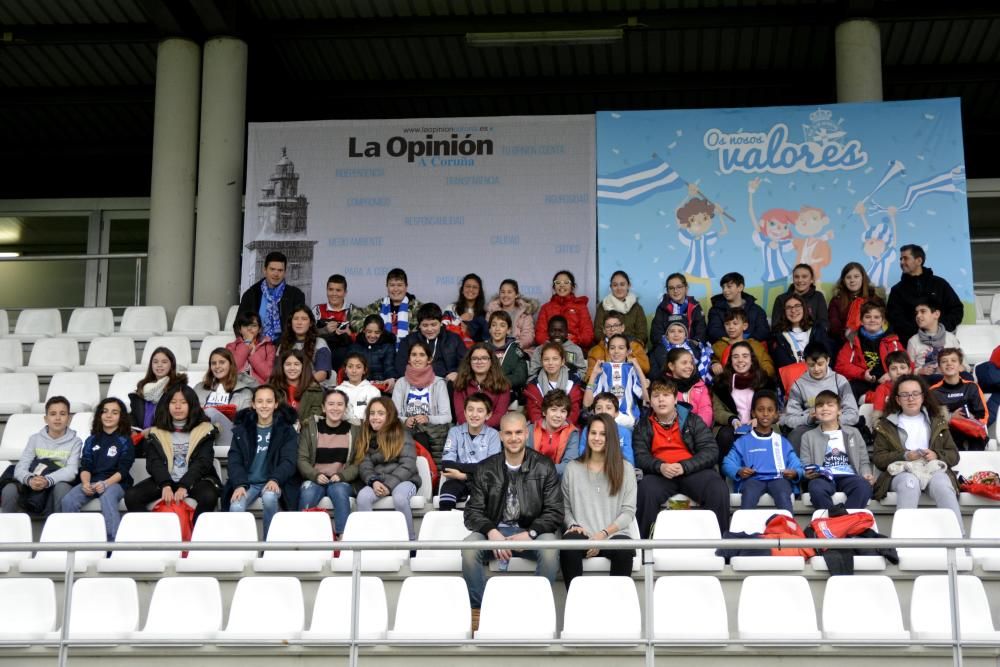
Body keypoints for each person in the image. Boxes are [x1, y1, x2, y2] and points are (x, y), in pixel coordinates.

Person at [462, 411, 563, 628]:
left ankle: (538, 608)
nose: (514, 438)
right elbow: (472, 512)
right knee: (469, 547)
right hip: (496, 531)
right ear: (500, 436)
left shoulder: (544, 466)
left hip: (530, 532)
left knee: (549, 548)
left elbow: (555, 511)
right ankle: (480, 610)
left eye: (518, 432)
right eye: (508, 433)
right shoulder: (486, 468)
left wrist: (531, 533)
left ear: (526, 434)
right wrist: (492, 532)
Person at [633, 380, 730, 536]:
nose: (661, 399)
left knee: (717, 489)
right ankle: (644, 547)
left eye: (666, 395)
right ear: (650, 401)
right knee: (645, 490)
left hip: (691, 471)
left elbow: (710, 451)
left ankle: (720, 542)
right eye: (656, 396)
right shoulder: (643, 425)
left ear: (675, 399)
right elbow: (640, 456)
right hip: (661, 474)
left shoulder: (692, 420)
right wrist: (660, 466)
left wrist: (685, 466)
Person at [872, 375, 962, 527]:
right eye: (905, 395)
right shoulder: (886, 424)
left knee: (942, 484)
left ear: (923, 397)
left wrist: (936, 455)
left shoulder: (937, 421)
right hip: (901, 472)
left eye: (915, 394)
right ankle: (902, 544)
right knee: (909, 483)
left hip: (932, 469)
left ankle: (959, 541)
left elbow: (954, 455)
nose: (910, 398)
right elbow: (879, 459)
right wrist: (905, 456)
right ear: (898, 400)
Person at [560, 413, 637, 588]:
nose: (597, 438)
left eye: (603, 434)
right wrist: (573, 525)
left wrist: (602, 535)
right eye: (593, 433)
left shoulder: (625, 469)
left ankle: (617, 606)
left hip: (612, 534)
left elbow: (628, 511)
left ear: (611, 437)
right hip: (581, 534)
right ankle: (575, 605)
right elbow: (564, 507)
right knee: (568, 546)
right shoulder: (573, 468)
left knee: (624, 551)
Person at [123, 384, 220, 519]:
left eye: (183, 402)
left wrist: (184, 485)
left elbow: (203, 462)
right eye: (173, 402)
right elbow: (154, 462)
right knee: (132, 496)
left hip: (195, 480)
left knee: (209, 496)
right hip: (166, 479)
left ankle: (196, 535)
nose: (178, 407)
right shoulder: (157, 431)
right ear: (167, 405)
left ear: (192, 405)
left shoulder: (205, 429)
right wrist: (166, 484)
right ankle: (157, 532)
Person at [227, 384, 299, 537]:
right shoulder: (242, 430)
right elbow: (235, 460)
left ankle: (269, 545)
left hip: (273, 481)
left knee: (269, 497)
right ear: (253, 405)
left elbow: (289, 461)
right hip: (248, 483)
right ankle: (243, 550)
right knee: (236, 507)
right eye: (260, 401)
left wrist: (275, 479)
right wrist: (239, 484)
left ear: (275, 404)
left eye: (268, 401)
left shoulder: (286, 430)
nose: (264, 405)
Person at [60, 397, 135, 540]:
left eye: (114, 412)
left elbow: (123, 470)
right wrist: (86, 483)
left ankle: (112, 546)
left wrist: (105, 483)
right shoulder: (91, 440)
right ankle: (74, 541)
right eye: (105, 411)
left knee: (107, 497)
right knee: (68, 501)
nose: (108, 415)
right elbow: (86, 465)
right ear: (99, 415)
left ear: (121, 417)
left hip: (116, 483)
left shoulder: (125, 440)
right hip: (93, 481)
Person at [722, 390, 802, 513]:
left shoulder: (782, 441)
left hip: (778, 479)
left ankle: (788, 529)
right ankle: (744, 530)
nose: (765, 414)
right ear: (753, 413)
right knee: (749, 493)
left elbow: (796, 464)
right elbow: (727, 464)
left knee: (783, 493)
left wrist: (795, 473)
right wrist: (738, 471)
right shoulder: (743, 441)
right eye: (760, 410)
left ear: (776, 414)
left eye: (770, 410)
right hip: (753, 480)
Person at [1, 396, 82, 516]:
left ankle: (55, 529)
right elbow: (21, 467)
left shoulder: (75, 441)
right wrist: (30, 480)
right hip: (33, 480)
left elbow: (71, 471)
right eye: (53, 414)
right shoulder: (35, 439)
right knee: (9, 489)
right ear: (46, 418)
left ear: (69, 419)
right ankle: (8, 531)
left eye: (63, 414)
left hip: (56, 482)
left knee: (62, 489)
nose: (58, 418)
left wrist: (47, 480)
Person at [354, 397, 422, 539]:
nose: (375, 417)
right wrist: (373, 481)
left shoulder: (402, 433)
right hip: (378, 481)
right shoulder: (365, 434)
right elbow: (364, 464)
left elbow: (408, 464)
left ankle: (410, 543)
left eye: (380, 413)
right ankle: (370, 542)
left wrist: (388, 485)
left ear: (389, 415)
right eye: (372, 413)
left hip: (406, 480)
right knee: (362, 497)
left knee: (400, 498)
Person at [298, 389, 359, 537]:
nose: (335, 408)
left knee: (338, 490)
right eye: (331, 404)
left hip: (341, 480)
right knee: (308, 492)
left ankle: (342, 537)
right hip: (316, 478)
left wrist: (343, 475)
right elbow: (302, 459)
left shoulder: (355, 430)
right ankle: (304, 536)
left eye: (340, 404)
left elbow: (359, 462)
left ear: (345, 408)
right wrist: (315, 475)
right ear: (324, 408)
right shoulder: (311, 428)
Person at [799, 390, 874, 510]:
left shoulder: (853, 433)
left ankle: (840, 522)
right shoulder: (808, 436)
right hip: (823, 478)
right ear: (815, 412)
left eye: (830, 404)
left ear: (839, 410)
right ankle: (837, 522)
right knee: (815, 487)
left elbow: (864, 461)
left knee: (864, 487)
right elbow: (805, 463)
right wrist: (807, 472)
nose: (824, 408)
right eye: (820, 405)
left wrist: (866, 474)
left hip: (849, 476)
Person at [779, 342, 859, 451]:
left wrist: (832, 420)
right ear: (805, 363)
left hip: (838, 425)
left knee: (853, 434)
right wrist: (808, 419)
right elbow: (790, 418)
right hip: (811, 427)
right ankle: (800, 467)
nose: (816, 369)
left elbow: (853, 414)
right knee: (795, 436)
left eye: (820, 364)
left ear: (828, 361)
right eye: (811, 365)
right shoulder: (798, 385)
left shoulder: (840, 381)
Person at [886, 244, 965, 345]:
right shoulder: (897, 290)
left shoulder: (940, 284)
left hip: (943, 342)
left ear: (919, 261)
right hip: (910, 344)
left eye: (905, 258)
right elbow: (894, 318)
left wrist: (938, 329)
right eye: (900, 259)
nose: (901, 262)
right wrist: (917, 334)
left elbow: (956, 309)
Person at [713, 341, 775, 462]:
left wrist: (760, 418)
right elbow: (717, 411)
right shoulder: (721, 383)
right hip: (732, 427)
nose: (740, 360)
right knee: (725, 436)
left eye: (745, 356)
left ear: (752, 359)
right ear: (730, 361)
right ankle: (726, 473)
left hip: (761, 422)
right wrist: (732, 419)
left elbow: (773, 408)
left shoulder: (765, 381)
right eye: (736, 357)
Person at [391, 341, 452, 463]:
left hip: (431, 433)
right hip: (406, 431)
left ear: (429, 359)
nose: (417, 359)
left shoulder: (439, 383)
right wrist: (405, 420)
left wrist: (428, 418)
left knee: (421, 438)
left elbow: (447, 417)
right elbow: (393, 415)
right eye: (414, 355)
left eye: (422, 355)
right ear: (408, 359)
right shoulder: (401, 383)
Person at [439, 393, 501, 511]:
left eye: (480, 411)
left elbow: (492, 468)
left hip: (483, 482)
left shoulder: (493, 435)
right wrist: (479, 468)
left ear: (488, 415)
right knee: (446, 494)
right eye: (470, 410)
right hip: (455, 480)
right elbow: (446, 465)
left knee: (488, 498)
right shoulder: (455, 432)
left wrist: (464, 475)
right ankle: (447, 528)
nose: (474, 415)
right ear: (465, 412)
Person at [834, 300, 906, 400]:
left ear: (883, 321)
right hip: (861, 381)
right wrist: (863, 374)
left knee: (901, 388)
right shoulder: (852, 341)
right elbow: (841, 366)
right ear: (861, 321)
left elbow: (906, 365)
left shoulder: (892, 341)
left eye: (876, 317)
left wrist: (891, 374)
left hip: (885, 381)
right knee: (847, 389)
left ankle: (867, 399)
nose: (872, 320)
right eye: (868, 317)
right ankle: (856, 409)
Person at [238, 250, 306, 341]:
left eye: (280, 270)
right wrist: (247, 344)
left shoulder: (296, 295)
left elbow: (300, 325)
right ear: (265, 270)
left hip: (285, 347)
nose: (276, 274)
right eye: (272, 269)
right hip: (254, 346)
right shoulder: (251, 294)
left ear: (285, 272)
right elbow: (238, 324)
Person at [584, 333, 648, 428]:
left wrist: (638, 367)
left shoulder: (631, 369)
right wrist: (593, 374)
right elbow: (587, 403)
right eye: (612, 348)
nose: (616, 351)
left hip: (628, 421)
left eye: (621, 348)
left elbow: (646, 398)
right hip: (604, 420)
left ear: (628, 351)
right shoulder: (603, 369)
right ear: (608, 350)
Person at [931, 348, 989, 451]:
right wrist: (951, 417)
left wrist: (971, 420)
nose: (949, 364)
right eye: (944, 361)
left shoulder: (972, 387)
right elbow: (931, 419)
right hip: (947, 431)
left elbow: (983, 414)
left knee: (977, 445)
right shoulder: (933, 391)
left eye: (953, 360)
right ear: (939, 368)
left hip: (972, 429)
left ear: (961, 366)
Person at [350, 268, 421, 351]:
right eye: (392, 285)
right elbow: (355, 315)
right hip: (380, 355)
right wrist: (371, 330)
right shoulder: (379, 305)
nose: (395, 289)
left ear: (406, 286)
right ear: (387, 286)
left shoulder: (418, 308)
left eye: (399, 285)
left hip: (409, 356)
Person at [394, 302, 466, 382]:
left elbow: (466, 362)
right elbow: (400, 366)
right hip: (416, 382)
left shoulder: (454, 339)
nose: (430, 329)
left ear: (440, 323)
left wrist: (457, 373)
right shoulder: (409, 340)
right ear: (419, 325)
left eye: (433, 324)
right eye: (425, 325)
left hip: (447, 382)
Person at [129, 347, 189, 438]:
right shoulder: (143, 388)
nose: (159, 365)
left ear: (172, 365)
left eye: (164, 362)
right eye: (155, 362)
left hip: (166, 437)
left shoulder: (179, 389)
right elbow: (134, 415)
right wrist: (132, 429)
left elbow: (180, 417)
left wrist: (153, 430)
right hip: (140, 437)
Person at [769, 293, 834, 371]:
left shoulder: (818, 330)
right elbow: (782, 363)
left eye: (797, 306)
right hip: (793, 379)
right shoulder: (778, 336)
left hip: (818, 375)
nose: (793, 310)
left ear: (804, 308)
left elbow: (827, 357)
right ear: (784, 312)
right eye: (788, 307)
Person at [523, 342, 584, 425]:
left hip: (566, 428)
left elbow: (574, 412)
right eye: (546, 359)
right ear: (541, 362)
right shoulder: (534, 385)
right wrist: (548, 429)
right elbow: (534, 414)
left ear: (562, 361)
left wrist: (561, 428)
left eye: (555, 359)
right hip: (542, 429)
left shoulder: (573, 382)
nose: (550, 363)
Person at [453, 343, 511, 430]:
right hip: (465, 429)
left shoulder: (502, 385)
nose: (479, 361)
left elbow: (499, 415)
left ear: (491, 361)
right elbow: (461, 414)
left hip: (492, 431)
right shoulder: (461, 383)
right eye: (475, 358)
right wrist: (472, 429)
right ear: (469, 362)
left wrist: (479, 428)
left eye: (484, 358)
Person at [709, 307, 775, 379]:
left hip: (753, 383)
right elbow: (711, 359)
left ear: (745, 326)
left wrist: (757, 377)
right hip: (727, 384)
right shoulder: (719, 345)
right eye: (727, 324)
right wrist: (714, 364)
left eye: (735, 323)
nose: (730, 327)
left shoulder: (755, 345)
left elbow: (768, 365)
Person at [828, 262, 885, 347]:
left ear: (863, 278)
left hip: (872, 342)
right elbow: (834, 326)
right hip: (845, 342)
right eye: (848, 277)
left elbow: (883, 323)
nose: (852, 280)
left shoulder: (875, 299)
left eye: (856, 276)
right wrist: (848, 335)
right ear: (843, 280)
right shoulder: (836, 301)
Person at [527, 389, 581, 477]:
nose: (558, 415)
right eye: (553, 410)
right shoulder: (531, 430)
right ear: (544, 412)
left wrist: (543, 470)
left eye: (563, 411)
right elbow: (525, 459)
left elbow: (569, 464)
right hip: (532, 478)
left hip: (558, 480)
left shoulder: (572, 433)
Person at [535, 270, 594, 349]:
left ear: (572, 287)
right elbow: (540, 336)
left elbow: (588, 336)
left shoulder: (581, 307)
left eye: (566, 282)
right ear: (554, 287)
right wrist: (555, 342)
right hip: (550, 350)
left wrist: (572, 340)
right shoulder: (546, 308)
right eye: (558, 282)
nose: (562, 285)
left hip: (576, 349)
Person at [706, 272, 770, 343]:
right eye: (723, 287)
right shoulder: (716, 310)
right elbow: (714, 331)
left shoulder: (756, 310)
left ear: (740, 287)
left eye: (729, 286)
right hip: (726, 346)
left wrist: (748, 342)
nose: (725, 290)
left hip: (751, 346)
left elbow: (763, 331)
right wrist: (731, 341)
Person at [907, 297, 961, 379]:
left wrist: (954, 368)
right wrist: (919, 371)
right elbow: (907, 369)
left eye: (923, 311)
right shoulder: (913, 341)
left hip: (949, 381)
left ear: (936, 314)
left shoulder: (951, 338)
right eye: (916, 313)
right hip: (925, 383)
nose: (918, 316)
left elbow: (964, 365)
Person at [276, 305, 332, 384]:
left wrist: (299, 385)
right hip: (286, 388)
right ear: (290, 323)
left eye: (304, 319)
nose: (299, 322)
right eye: (295, 319)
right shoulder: (283, 344)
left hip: (312, 387)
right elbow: (277, 371)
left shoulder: (319, 343)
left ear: (311, 323)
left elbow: (322, 374)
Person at [650, 314, 712, 384]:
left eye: (680, 331)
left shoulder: (694, 346)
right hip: (670, 386)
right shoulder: (659, 349)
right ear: (667, 335)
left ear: (685, 335)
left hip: (696, 383)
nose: (676, 334)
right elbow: (654, 374)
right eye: (672, 331)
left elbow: (705, 363)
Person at [586, 310, 651, 378]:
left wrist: (627, 357)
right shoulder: (595, 351)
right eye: (608, 326)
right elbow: (589, 377)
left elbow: (646, 368)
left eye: (616, 325)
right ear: (604, 330)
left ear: (622, 328)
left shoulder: (634, 345)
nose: (612, 329)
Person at [660, 347, 712, 428]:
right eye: (684, 363)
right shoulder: (662, 387)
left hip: (698, 431)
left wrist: (697, 429)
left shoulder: (700, 386)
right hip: (673, 433)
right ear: (671, 366)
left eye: (691, 363)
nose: (689, 366)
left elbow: (706, 410)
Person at [313, 274, 356, 373]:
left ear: (345, 292)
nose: (334, 293)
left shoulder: (353, 310)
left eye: (338, 290)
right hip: (322, 357)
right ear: (326, 290)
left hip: (346, 358)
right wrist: (325, 330)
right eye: (331, 289)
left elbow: (364, 338)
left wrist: (349, 333)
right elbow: (307, 333)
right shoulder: (318, 310)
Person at [649, 273, 707, 346]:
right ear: (667, 291)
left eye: (679, 287)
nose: (675, 291)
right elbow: (655, 335)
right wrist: (671, 346)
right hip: (667, 348)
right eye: (671, 288)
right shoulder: (662, 308)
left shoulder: (695, 306)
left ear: (686, 288)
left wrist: (690, 345)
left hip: (690, 347)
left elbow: (701, 333)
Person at [595, 270, 649, 346]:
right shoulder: (604, 306)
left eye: (622, 284)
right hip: (608, 347)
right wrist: (611, 344)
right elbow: (598, 333)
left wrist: (628, 346)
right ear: (611, 287)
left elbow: (642, 334)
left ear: (628, 285)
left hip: (631, 347)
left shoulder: (636, 308)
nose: (619, 288)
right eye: (615, 285)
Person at [770, 263, 830, 332]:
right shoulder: (781, 299)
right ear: (793, 279)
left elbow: (824, 323)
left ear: (812, 280)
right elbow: (775, 326)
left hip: (813, 339)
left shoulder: (818, 296)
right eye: (796, 277)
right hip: (787, 339)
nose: (800, 280)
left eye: (804, 276)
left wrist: (811, 336)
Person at [269, 349, 324, 424]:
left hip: (306, 433)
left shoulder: (315, 389)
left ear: (303, 367)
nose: (292, 368)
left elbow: (315, 416)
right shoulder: (272, 389)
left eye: (296, 364)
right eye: (288, 364)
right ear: (282, 367)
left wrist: (301, 426)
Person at [194, 348, 254, 416]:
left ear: (231, 364)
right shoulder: (199, 388)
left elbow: (245, 420)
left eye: (222, 362)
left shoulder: (244, 391)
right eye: (213, 363)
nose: (217, 366)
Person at [485, 278, 538, 353]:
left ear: (516, 295)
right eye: (503, 292)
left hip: (517, 349)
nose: (505, 295)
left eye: (509, 292)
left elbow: (528, 336)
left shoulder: (525, 312)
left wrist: (515, 346)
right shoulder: (492, 310)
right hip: (494, 348)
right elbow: (487, 331)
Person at [347, 314, 397, 392]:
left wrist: (391, 378)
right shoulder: (355, 347)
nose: (372, 335)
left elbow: (389, 366)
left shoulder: (387, 347)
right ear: (364, 330)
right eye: (369, 332)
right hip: (359, 385)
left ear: (382, 332)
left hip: (381, 385)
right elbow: (349, 368)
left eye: (377, 332)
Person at [580, 392, 635, 464]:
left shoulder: (624, 432)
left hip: (616, 471)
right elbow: (582, 455)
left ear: (616, 413)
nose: (603, 412)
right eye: (599, 408)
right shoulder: (587, 430)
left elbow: (629, 462)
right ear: (593, 412)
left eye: (608, 408)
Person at [226, 310, 276, 385]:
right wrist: (246, 344)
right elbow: (233, 369)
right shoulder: (231, 347)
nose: (249, 328)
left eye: (254, 325)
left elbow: (268, 374)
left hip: (259, 388)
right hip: (236, 386)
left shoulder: (268, 347)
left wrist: (253, 355)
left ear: (259, 329)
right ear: (240, 330)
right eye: (245, 325)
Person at [484, 311, 529, 395]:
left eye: (502, 325)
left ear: (508, 330)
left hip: (509, 394)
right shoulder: (481, 349)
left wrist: (497, 383)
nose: (497, 329)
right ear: (489, 329)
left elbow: (520, 377)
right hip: (485, 394)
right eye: (494, 325)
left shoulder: (516, 350)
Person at [334, 353, 381, 425]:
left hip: (366, 430)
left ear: (364, 370)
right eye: (350, 367)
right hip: (342, 430)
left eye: (358, 367)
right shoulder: (337, 391)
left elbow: (375, 416)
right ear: (345, 370)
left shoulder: (373, 391)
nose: (354, 371)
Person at [869, 350, 914, 421]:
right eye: (893, 369)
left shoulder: (916, 387)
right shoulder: (882, 389)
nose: (899, 372)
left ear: (909, 370)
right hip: (889, 426)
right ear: (888, 373)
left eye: (902, 368)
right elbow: (877, 416)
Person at [445, 273, 489, 344]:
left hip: (475, 353)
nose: (471, 289)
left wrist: (469, 332)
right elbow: (442, 331)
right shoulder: (451, 308)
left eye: (475, 287)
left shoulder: (485, 314)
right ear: (462, 290)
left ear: (479, 292)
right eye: (468, 286)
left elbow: (486, 339)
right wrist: (459, 320)